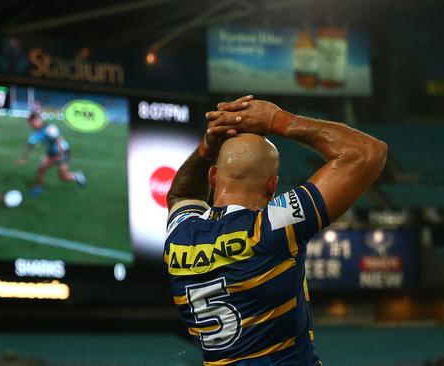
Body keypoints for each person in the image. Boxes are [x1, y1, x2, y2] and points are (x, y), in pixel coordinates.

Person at [165, 95, 387, 365]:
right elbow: (367, 153)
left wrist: (206, 147)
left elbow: (180, 194)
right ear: (272, 186)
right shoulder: (270, 228)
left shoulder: (181, 236)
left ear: (213, 177)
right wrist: (278, 120)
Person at [17, 112, 85, 196]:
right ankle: (37, 188)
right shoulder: (35, 134)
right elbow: (30, 145)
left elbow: (59, 141)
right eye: (31, 123)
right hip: (51, 153)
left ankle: (77, 176)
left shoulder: (50, 128)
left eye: (34, 121)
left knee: (63, 177)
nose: (33, 124)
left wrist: (60, 155)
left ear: (39, 120)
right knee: (41, 169)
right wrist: (24, 157)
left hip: (63, 152)